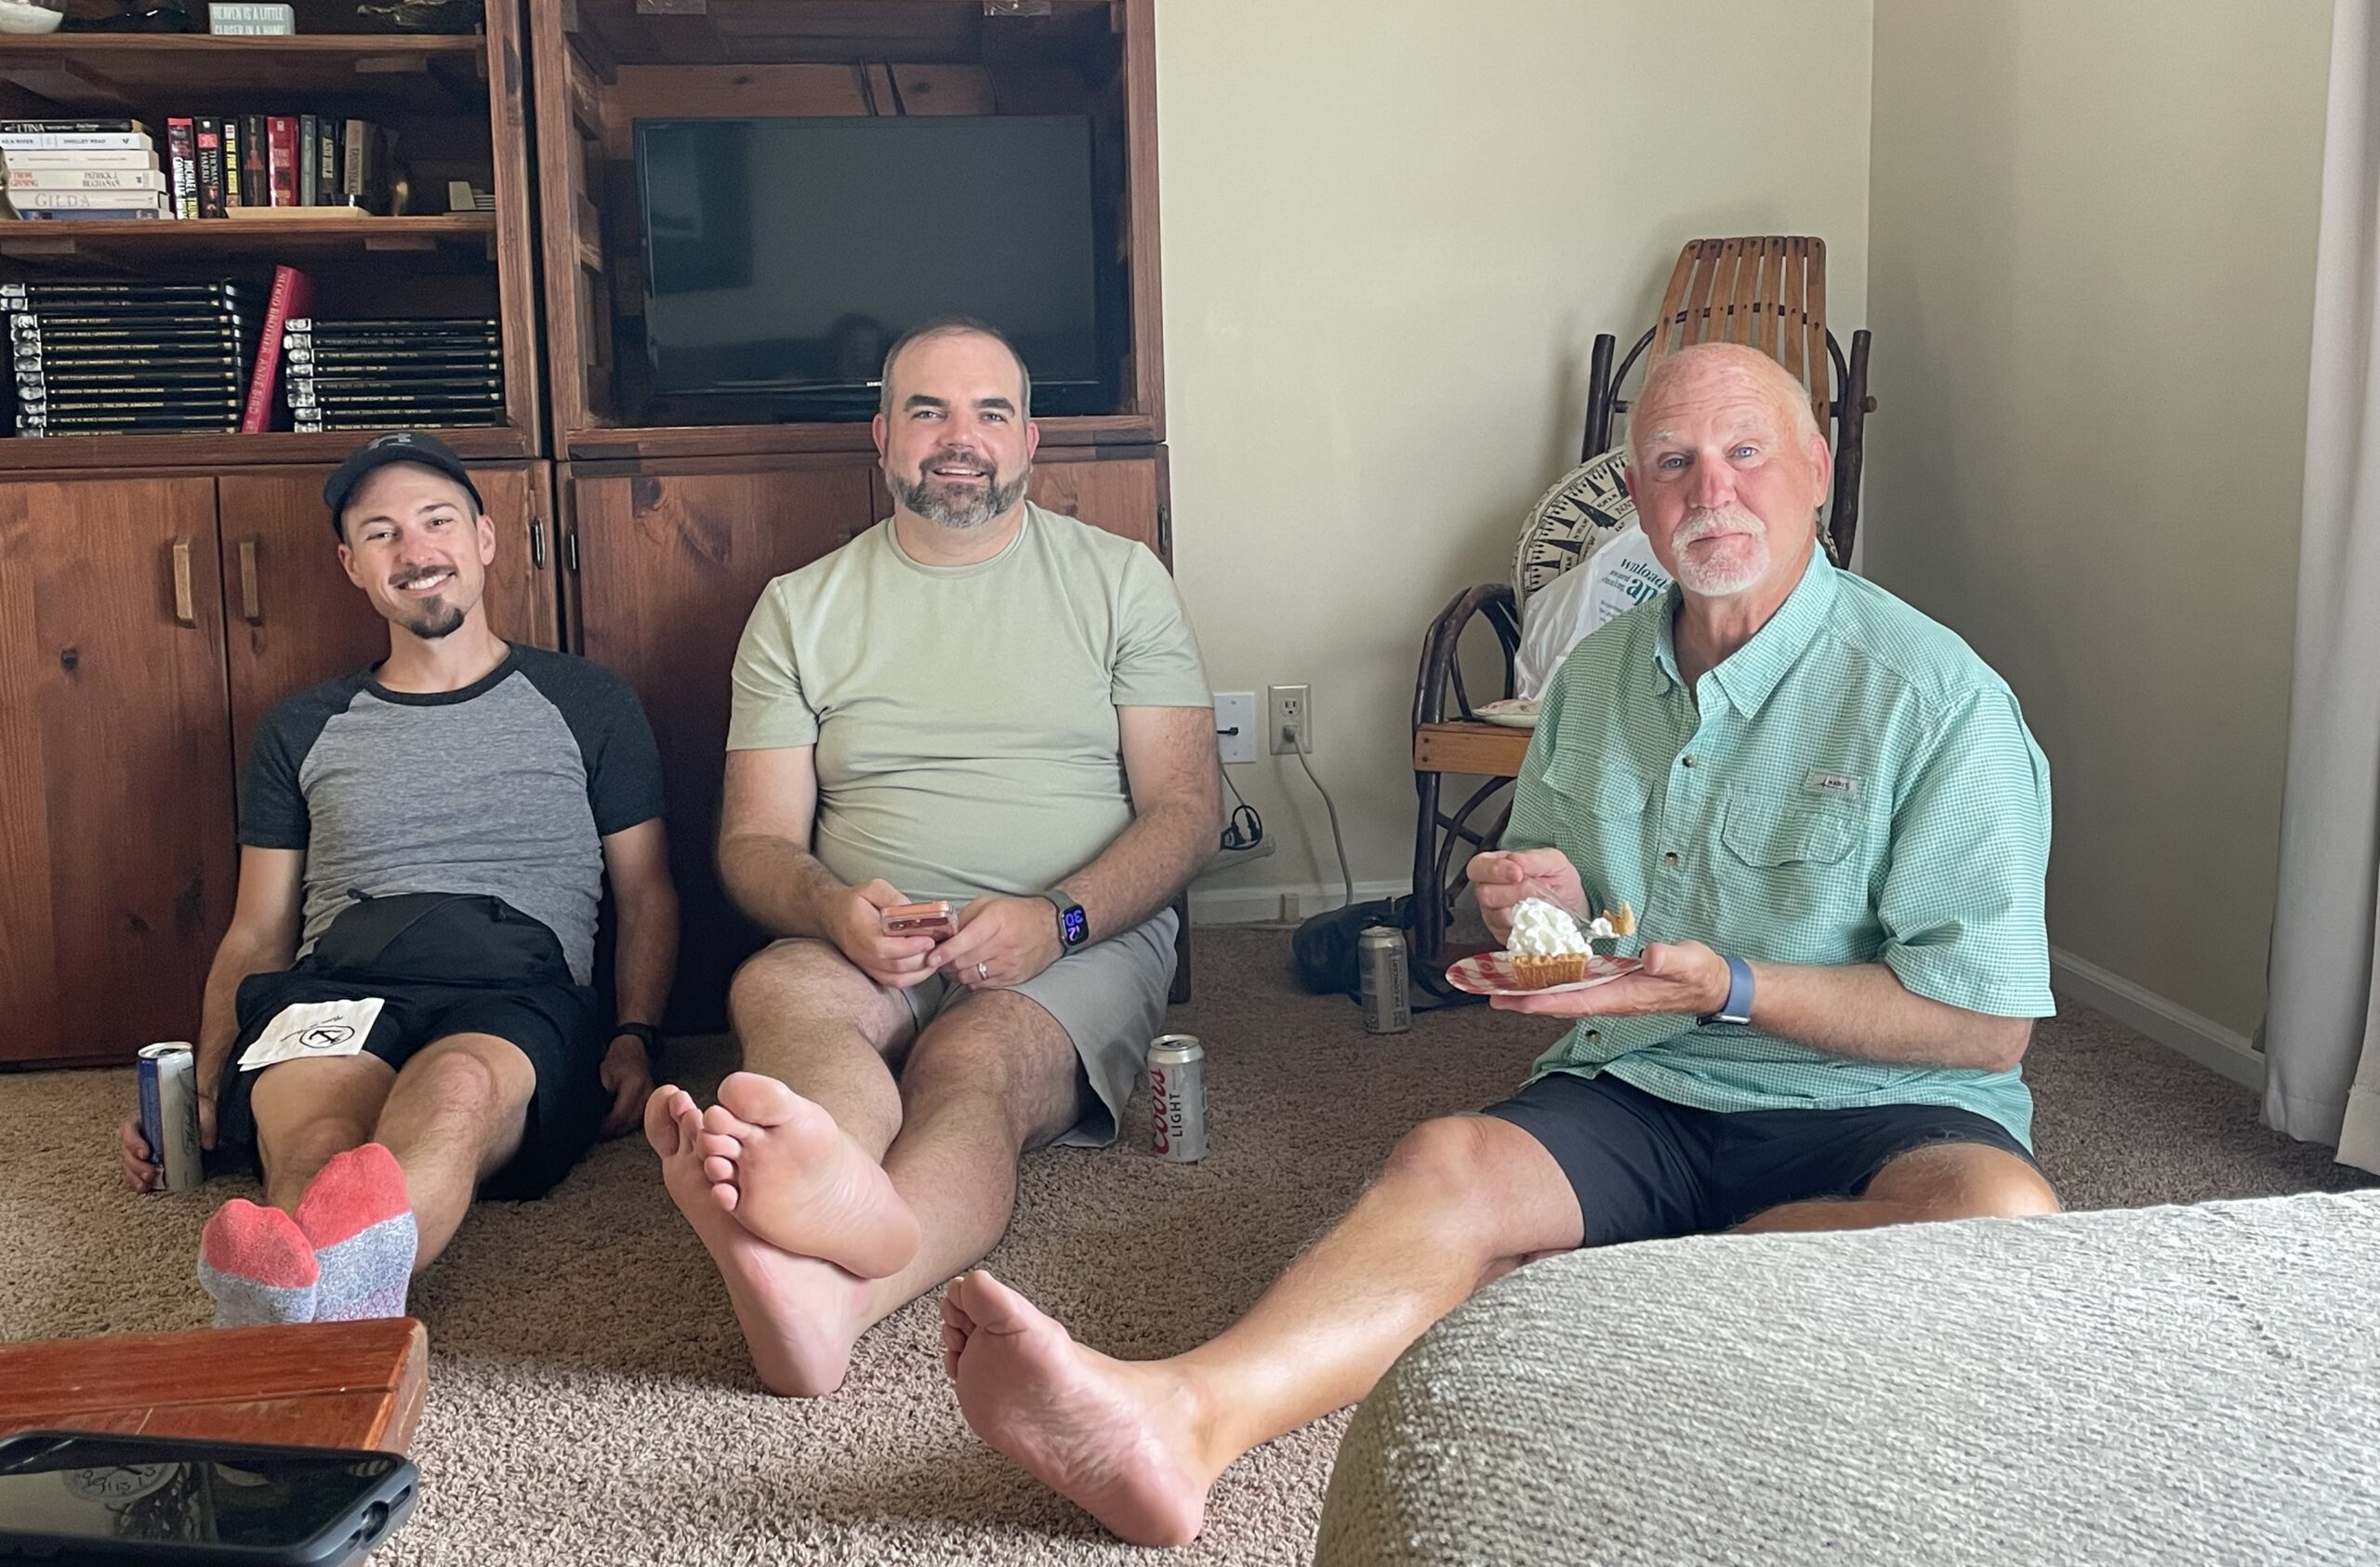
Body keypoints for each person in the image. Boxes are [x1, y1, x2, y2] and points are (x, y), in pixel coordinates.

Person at [942, 341, 2062, 1546]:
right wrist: (1534, 908)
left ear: (1817, 470)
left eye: (1745, 452)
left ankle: (1607, 1279)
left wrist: (1731, 987)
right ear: (1636, 495)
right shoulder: (1594, 680)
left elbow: (1984, 1026)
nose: (1711, 490)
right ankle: (1179, 1418)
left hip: (1880, 1110)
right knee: (1447, 1164)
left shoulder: (1936, 699)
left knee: (2003, 1219)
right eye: (1673, 462)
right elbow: (1567, 927)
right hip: (1644, 1088)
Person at [643, 318, 1217, 1397]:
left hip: (1076, 940)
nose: (961, 437)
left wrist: (1060, 918)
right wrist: (831, 911)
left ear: (1028, 440)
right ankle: (820, 1180)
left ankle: (837, 1294)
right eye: (928, 410)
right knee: (783, 994)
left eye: (990, 412)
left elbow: (1186, 812)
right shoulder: (800, 608)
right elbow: (755, 844)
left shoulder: (1120, 581)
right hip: (868, 939)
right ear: (882, 436)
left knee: (973, 1065)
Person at [121, 431, 679, 1327]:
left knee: (455, 1092)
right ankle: (322, 1309)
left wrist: (635, 1035)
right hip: (334, 986)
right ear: (352, 565)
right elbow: (257, 930)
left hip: (514, 989)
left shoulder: (589, 701)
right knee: (318, 1143)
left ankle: (290, 1316)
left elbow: (646, 890)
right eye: (381, 534)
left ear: (484, 539)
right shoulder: (299, 727)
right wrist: (206, 1085)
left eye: (436, 521)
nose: (415, 552)